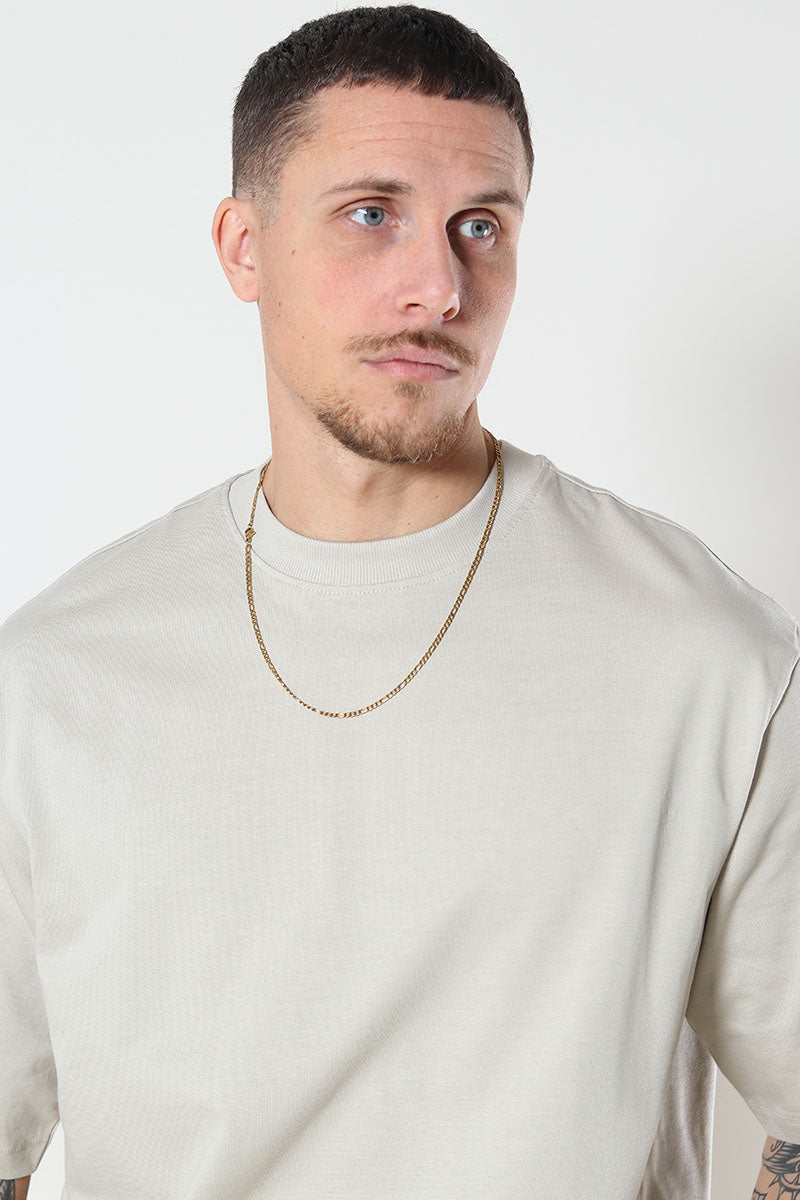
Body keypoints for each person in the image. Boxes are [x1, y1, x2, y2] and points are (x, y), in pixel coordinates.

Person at [1, 6, 798, 1199]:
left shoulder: (706, 656)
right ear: (243, 247)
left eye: (480, 226)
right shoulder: (57, 675)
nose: (437, 287)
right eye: (371, 213)